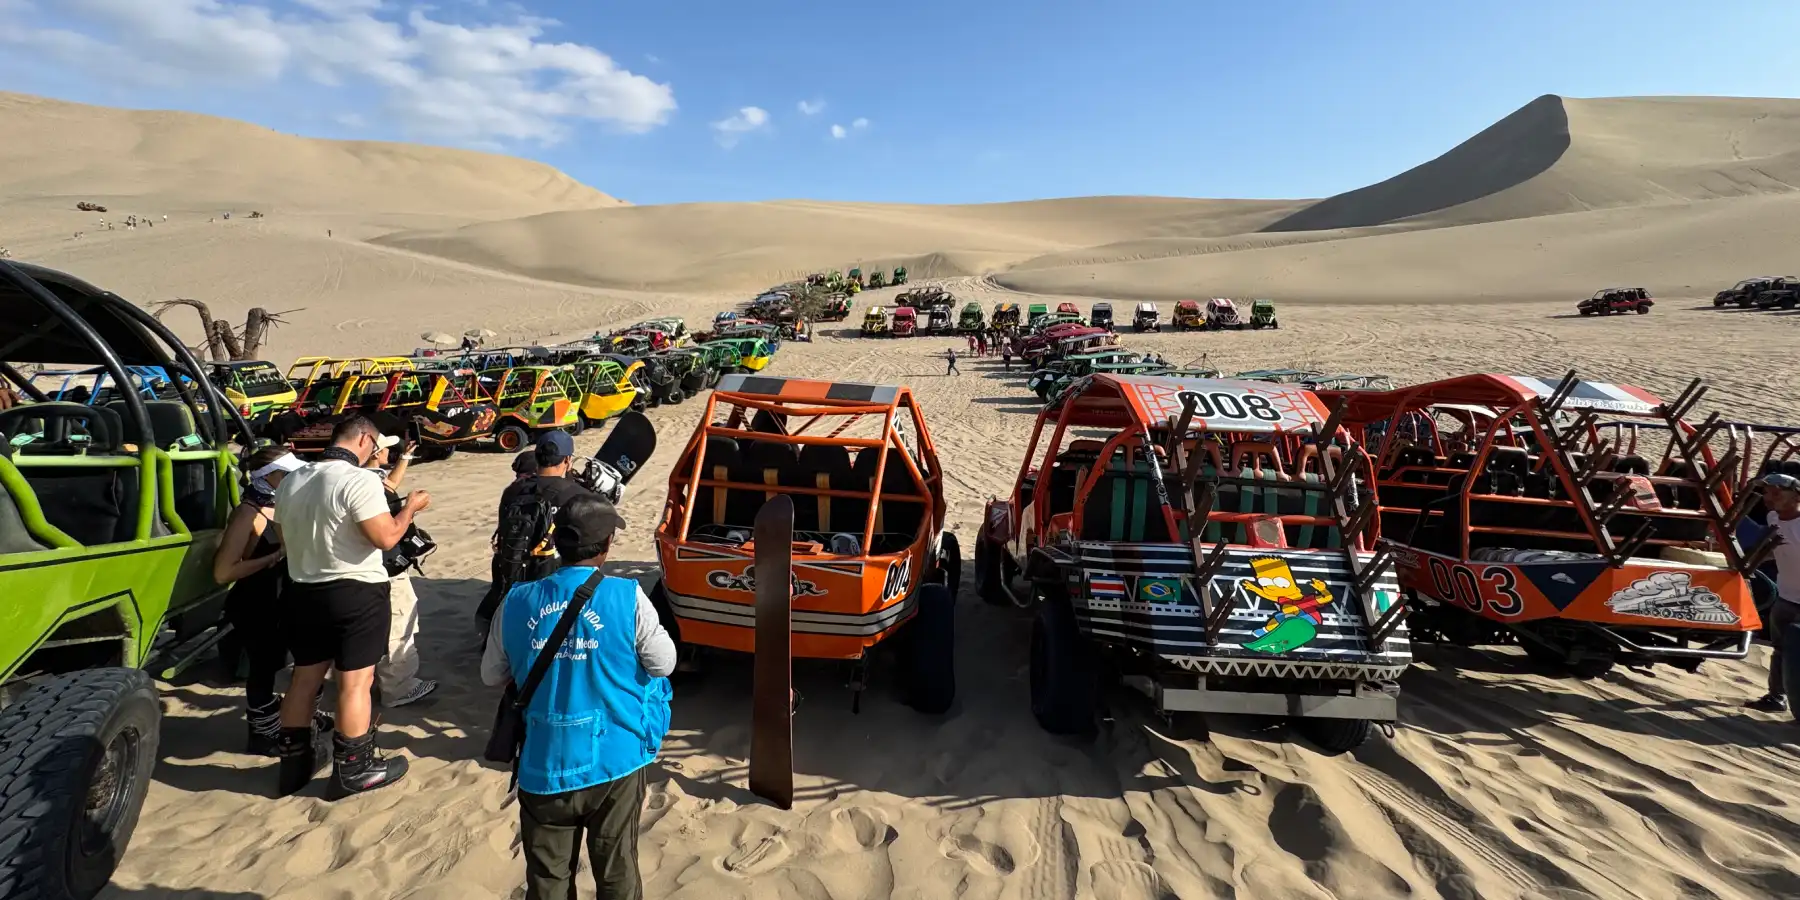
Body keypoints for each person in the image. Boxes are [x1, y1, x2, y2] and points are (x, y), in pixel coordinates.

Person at [480, 494, 675, 900]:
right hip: (615, 759)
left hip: (543, 759)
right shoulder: (627, 596)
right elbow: (663, 663)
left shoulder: (516, 599)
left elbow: (490, 675)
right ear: (606, 546)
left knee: (547, 877)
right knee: (616, 868)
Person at [273, 416, 430, 798]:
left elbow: (283, 536)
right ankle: (353, 767)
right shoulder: (359, 479)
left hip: (302, 589)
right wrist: (410, 508)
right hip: (354, 591)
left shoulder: (292, 479)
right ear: (364, 439)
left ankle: (294, 762)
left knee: (305, 678)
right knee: (355, 682)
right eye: (375, 444)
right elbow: (385, 537)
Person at [213, 447, 306, 754]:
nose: (295, 478)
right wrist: (273, 557)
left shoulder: (280, 506)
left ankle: (280, 719)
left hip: (280, 598)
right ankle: (262, 732)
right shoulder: (247, 515)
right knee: (262, 669)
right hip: (255, 602)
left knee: (277, 662)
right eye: (287, 474)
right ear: (269, 478)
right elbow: (223, 572)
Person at [477, 432, 595, 635]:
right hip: (555, 585)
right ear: (567, 460)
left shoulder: (512, 491)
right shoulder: (578, 494)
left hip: (514, 577)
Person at [366, 435, 438, 708]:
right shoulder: (370, 487)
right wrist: (409, 508)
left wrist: (405, 458)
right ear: (374, 452)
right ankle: (399, 688)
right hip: (387, 569)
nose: (390, 451)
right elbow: (388, 530)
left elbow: (389, 485)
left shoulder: (359, 478)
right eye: (386, 447)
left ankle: (366, 679)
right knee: (399, 626)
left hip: (363, 572)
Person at [1748, 472, 1800, 713]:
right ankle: (1775, 697)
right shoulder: (1772, 518)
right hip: (1786, 596)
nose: (1770, 497)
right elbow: (1776, 549)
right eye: (1768, 492)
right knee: (1779, 650)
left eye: (1777, 492)